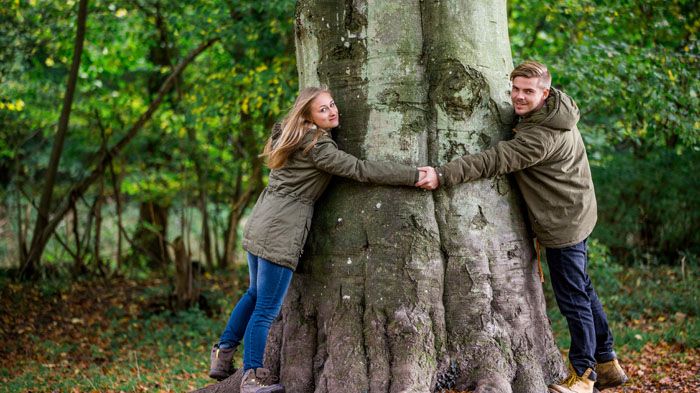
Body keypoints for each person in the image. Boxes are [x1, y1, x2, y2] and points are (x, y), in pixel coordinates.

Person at [416, 61, 628, 393]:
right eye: (515, 89)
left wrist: (442, 174)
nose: (518, 97)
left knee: (572, 296)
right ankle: (607, 361)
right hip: (576, 210)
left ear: (545, 92)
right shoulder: (553, 110)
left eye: (528, 91)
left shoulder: (541, 136)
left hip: (563, 222)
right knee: (583, 287)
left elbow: (493, 160)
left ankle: (585, 375)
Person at [209, 86, 426, 393]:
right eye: (323, 109)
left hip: (261, 220)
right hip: (282, 228)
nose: (333, 111)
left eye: (332, 105)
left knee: (254, 293)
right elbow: (361, 170)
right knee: (267, 308)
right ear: (307, 115)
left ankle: (222, 354)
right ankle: (251, 377)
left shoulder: (288, 135)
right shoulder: (317, 146)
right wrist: (413, 175)